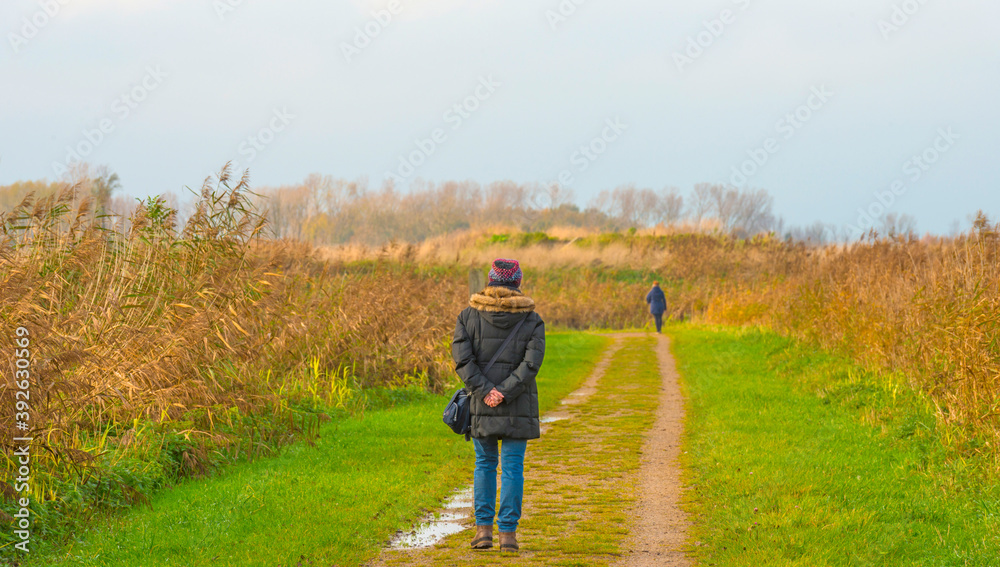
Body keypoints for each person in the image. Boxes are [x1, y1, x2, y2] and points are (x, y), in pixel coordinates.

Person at [452, 258, 545, 553]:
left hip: (482, 404)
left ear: (490, 282)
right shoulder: (532, 320)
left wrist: (486, 391)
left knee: (484, 464)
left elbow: (463, 361)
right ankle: (508, 535)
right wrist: (504, 392)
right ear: (517, 282)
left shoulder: (467, 316)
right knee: (513, 468)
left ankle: (483, 533)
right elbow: (531, 364)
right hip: (518, 403)